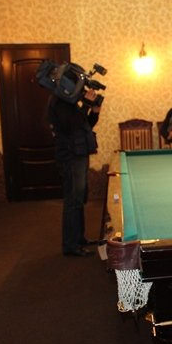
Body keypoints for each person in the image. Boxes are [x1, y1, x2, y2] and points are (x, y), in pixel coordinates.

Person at [47, 75, 102, 257]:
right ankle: (70, 245)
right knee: (72, 200)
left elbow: (85, 125)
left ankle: (79, 238)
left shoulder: (69, 101)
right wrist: (85, 104)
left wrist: (94, 111)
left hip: (79, 154)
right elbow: (70, 127)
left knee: (79, 198)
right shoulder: (59, 101)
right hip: (70, 157)